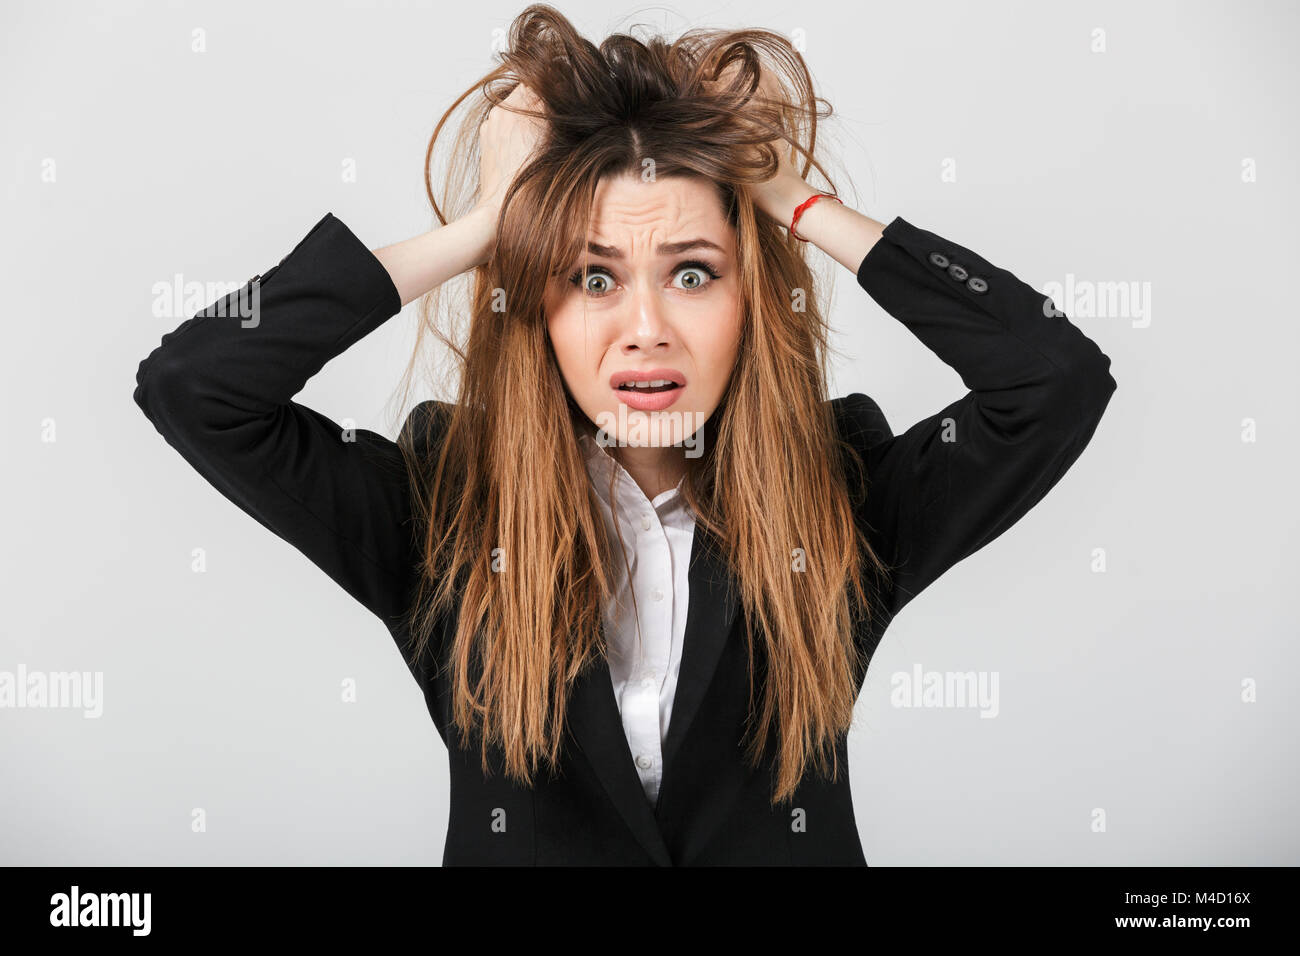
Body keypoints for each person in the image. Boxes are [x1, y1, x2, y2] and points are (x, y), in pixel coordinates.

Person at [133, 4, 1116, 865]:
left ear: (750, 297)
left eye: (692, 271)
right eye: (591, 276)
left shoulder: (844, 487)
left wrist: (796, 204)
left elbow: (1053, 376)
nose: (645, 325)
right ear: (537, 306)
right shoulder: (439, 501)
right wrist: (485, 227)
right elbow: (195, 383)